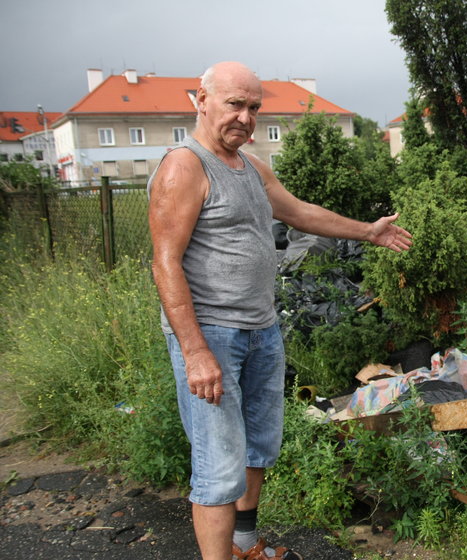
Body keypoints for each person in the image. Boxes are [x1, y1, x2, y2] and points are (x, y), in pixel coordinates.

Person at [147, 61, 412, 560]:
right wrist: (195, 351)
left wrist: (368, 231)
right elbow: (165, 264)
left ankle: (244, 543)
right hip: (212, 336)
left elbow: (298, 212)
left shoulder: (250, 165)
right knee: (218, 463)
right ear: (200, 100)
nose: (245, 118)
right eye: (234, 104)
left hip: (261, 329)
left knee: (258, 447)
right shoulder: (185, 166)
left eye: (253, 108)